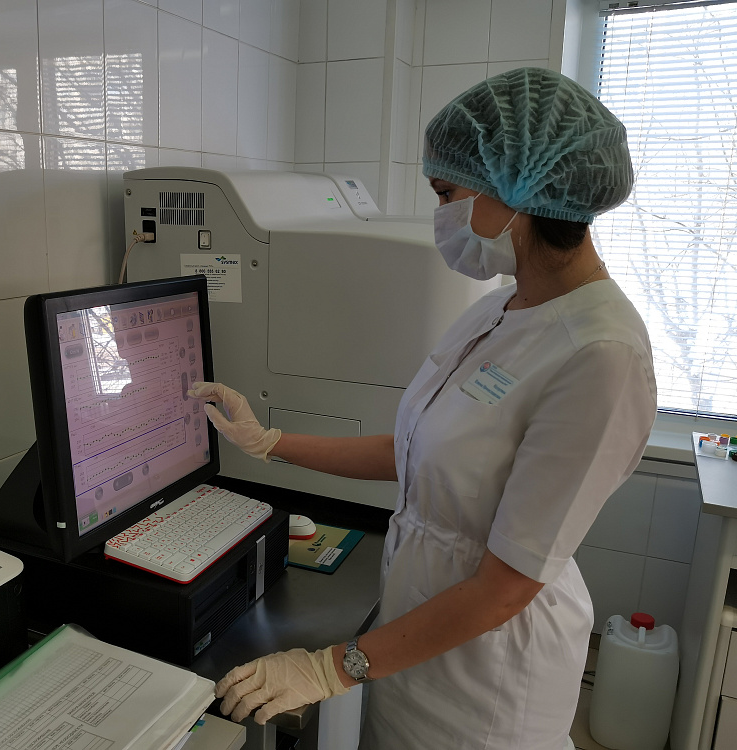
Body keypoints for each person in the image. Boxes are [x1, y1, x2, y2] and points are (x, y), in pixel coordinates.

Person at [188, 67, 658, 749]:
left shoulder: (602, 354)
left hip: (491, 679)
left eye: (446, 194)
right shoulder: (502, 308)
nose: (440, 216)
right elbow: (415, 449)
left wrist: (331, 666)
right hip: (414, 643)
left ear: (515, 190)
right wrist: (269, 442)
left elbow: (506, 587)